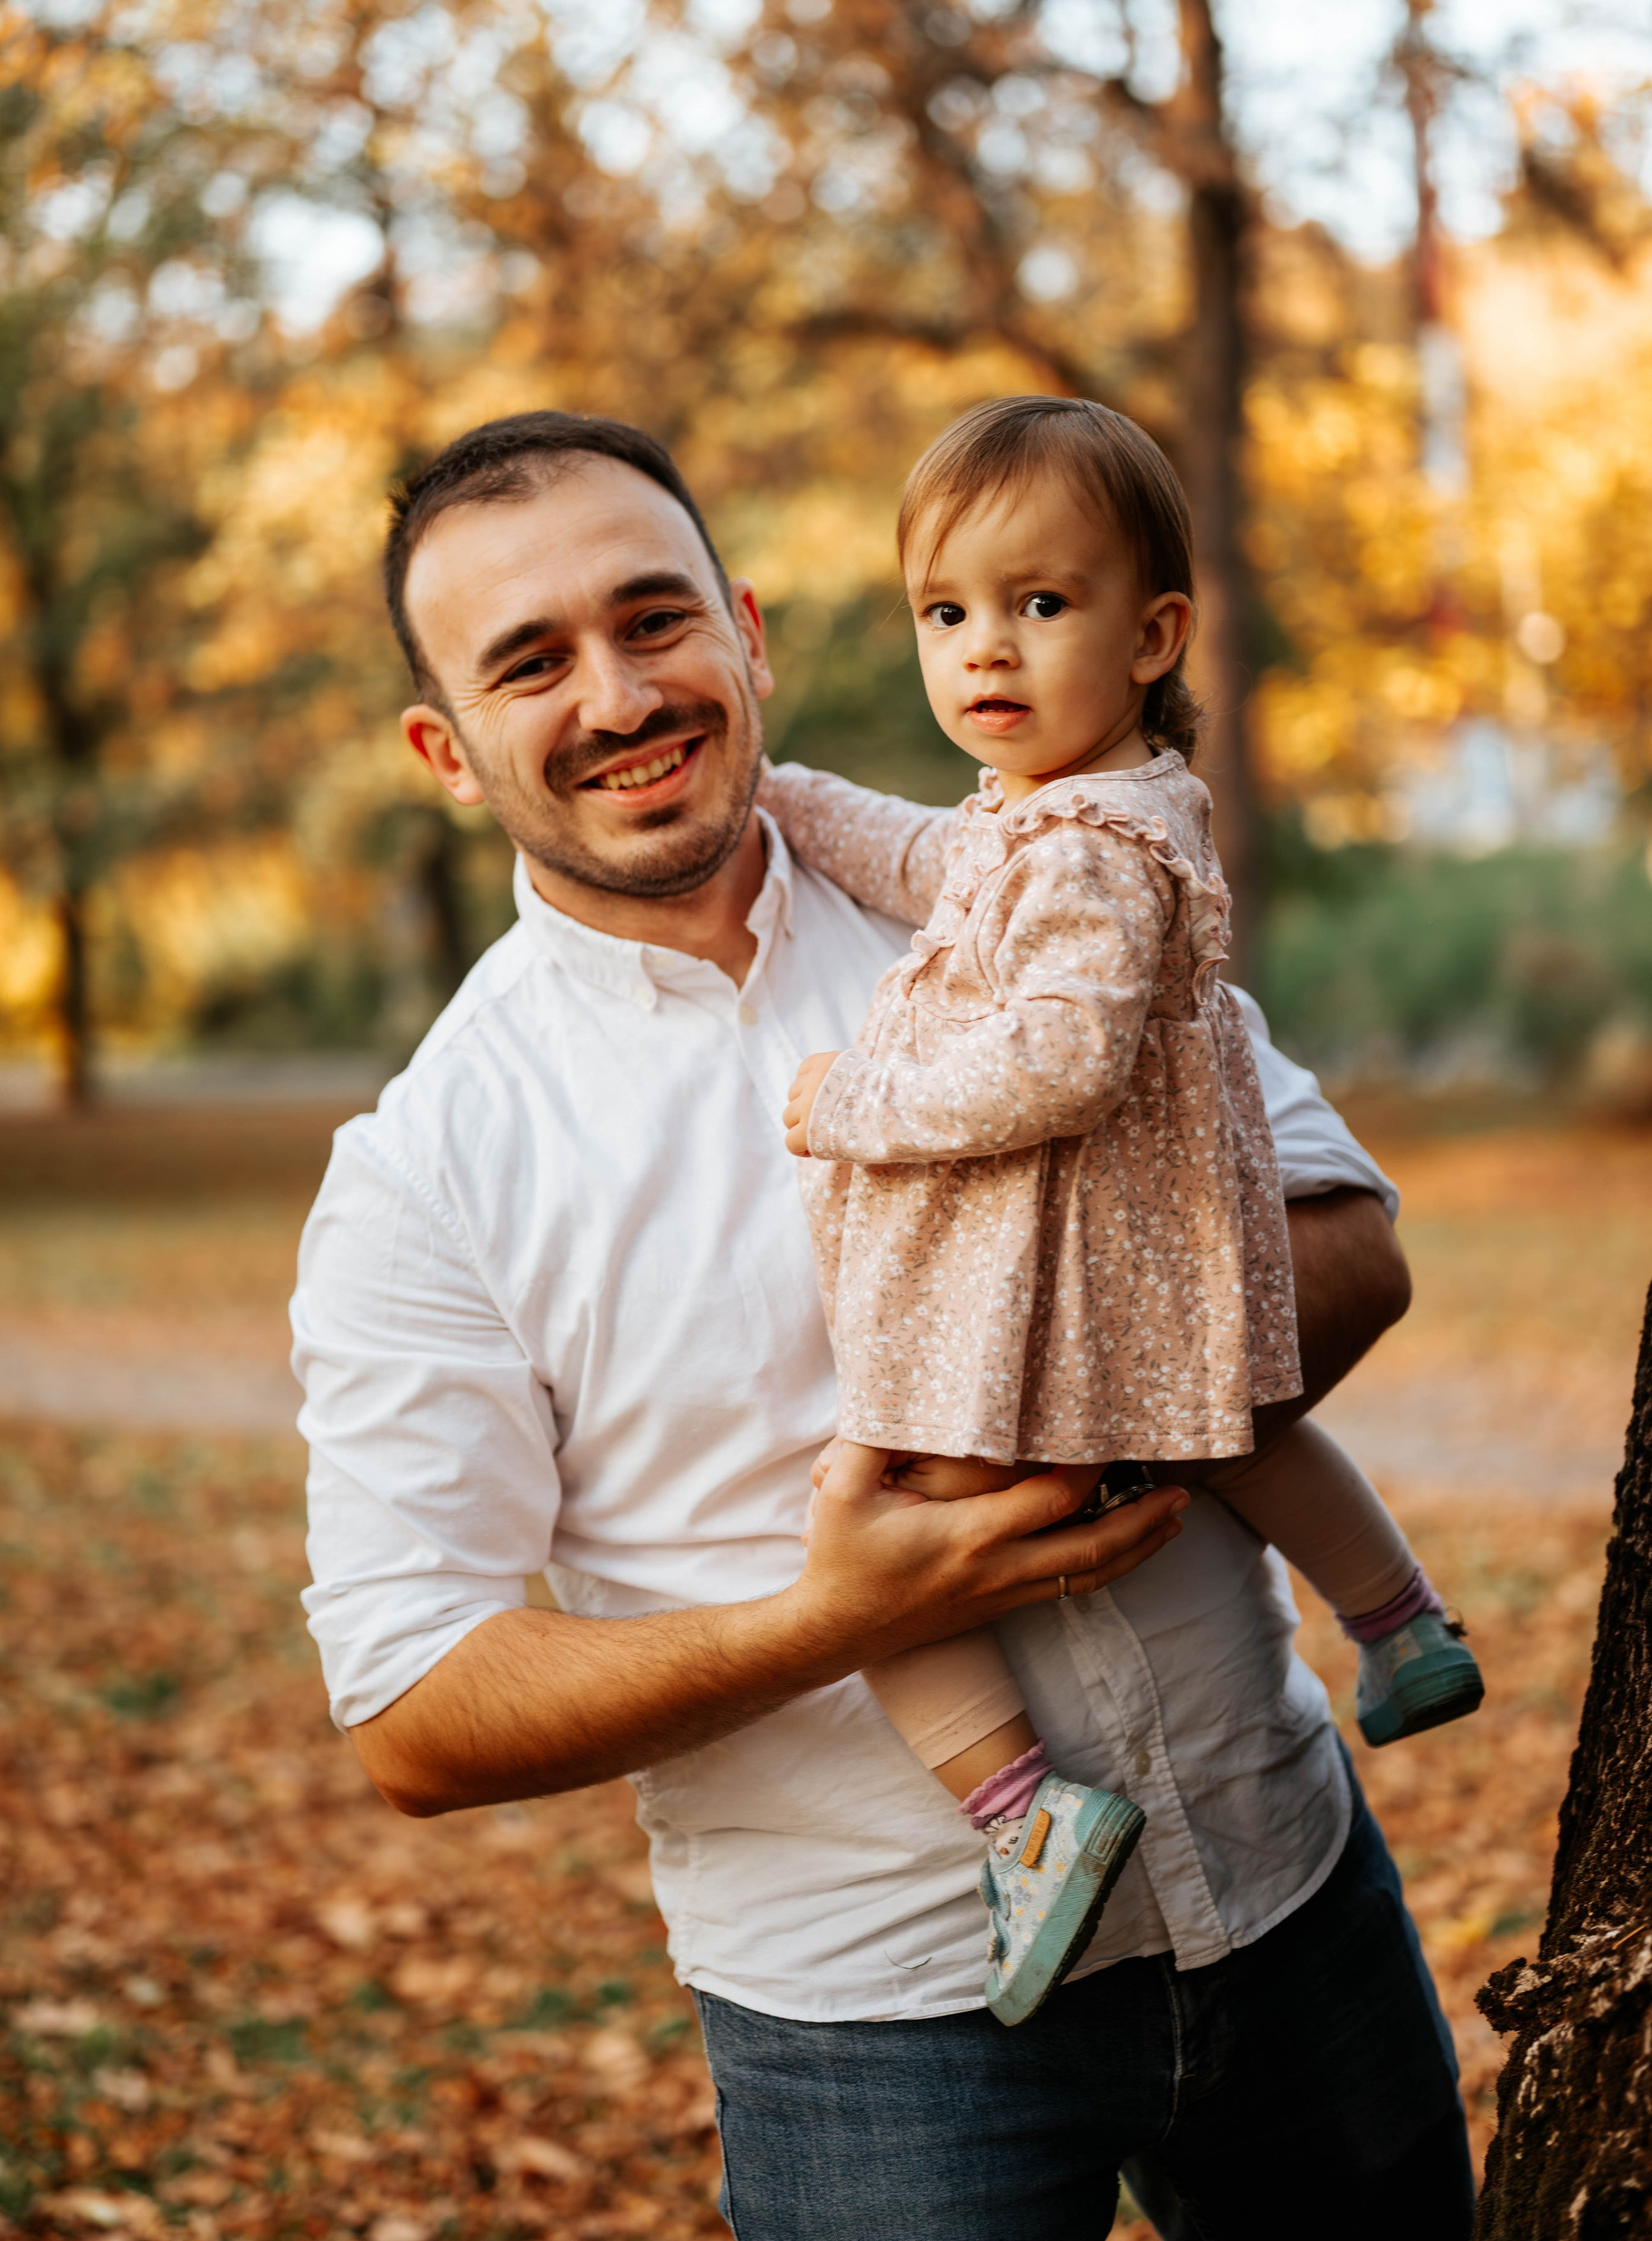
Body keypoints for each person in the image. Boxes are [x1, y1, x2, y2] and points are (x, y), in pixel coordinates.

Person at [294, 408, 1475, 2240]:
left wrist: (1060, 1417)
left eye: (652, 616)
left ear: (748, 631)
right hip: (885, 2027)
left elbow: (1352, 1244)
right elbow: (416, 1705)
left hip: (1286, 1884)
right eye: (533, 662)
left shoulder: (1021, 868)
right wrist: (840, 1618)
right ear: (449, 748)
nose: (617, 694)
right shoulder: (431, 1165)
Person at [761, 398, 1483, 2025]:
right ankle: (1397, 1619)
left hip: (1083, 1259)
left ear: (1154, 633)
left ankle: (1023, 1815)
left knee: (873, 1528)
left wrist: (848, 1108)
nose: (982, 652)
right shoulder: (1081, 810)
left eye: (1038, 603)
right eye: (945, 614)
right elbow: (926, 855)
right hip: (1164, 1258)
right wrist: (795, 801)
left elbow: (1058, 1062)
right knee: (1232, 1421)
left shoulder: (1083, 850)